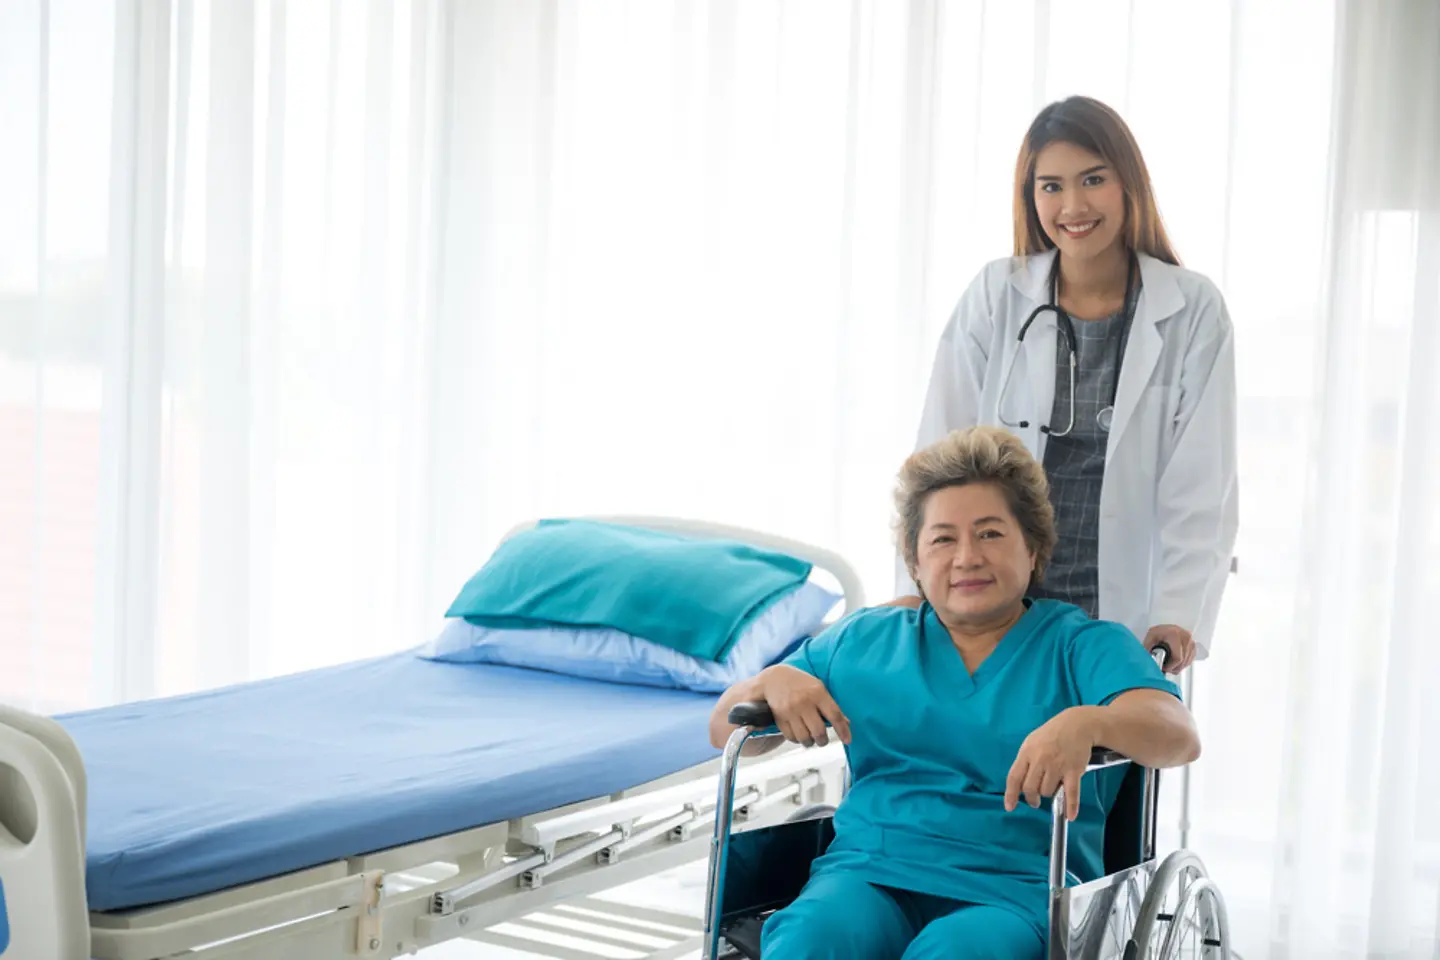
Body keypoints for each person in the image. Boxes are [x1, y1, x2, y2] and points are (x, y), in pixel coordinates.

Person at [708, 426, 1199, 959]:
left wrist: (1091, 723)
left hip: (1017, 891)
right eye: (943, 539)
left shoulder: (1081, 645)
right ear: (916, 563)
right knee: (813, 939)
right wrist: (775, 680)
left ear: (1033, 549)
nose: (967, 557)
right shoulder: (866, 640)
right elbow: (723, 728)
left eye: (990, 534)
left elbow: (1178, 735)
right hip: (868, 875)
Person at [895, 96, 1238, 673]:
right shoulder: (996, 295)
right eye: (1051, 186)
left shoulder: (1191, 309)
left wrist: (1180, 611)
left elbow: (1203, 485)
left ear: (1129, 183)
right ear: (1030, 197)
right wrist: (917, 589)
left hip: (1122, 609)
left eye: (1093, 180)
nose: (1073, 205)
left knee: (1105, 752)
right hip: (996, 595)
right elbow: (937, 456)